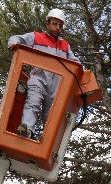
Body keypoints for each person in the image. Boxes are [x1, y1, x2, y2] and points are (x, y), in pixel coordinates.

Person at [7, 8, 81, 139]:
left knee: (51, 114)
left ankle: (47, 140)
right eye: (54, 23)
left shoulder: (65, 45)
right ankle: (27, 129)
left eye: (60, 25)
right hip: (39, 78)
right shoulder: (36, 37)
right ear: (47, 24)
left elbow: (75, 62)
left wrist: (81, 70)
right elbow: (16, 38)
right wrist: (13, 44)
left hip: (57, 84)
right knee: (33, 102)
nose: (57, 27)